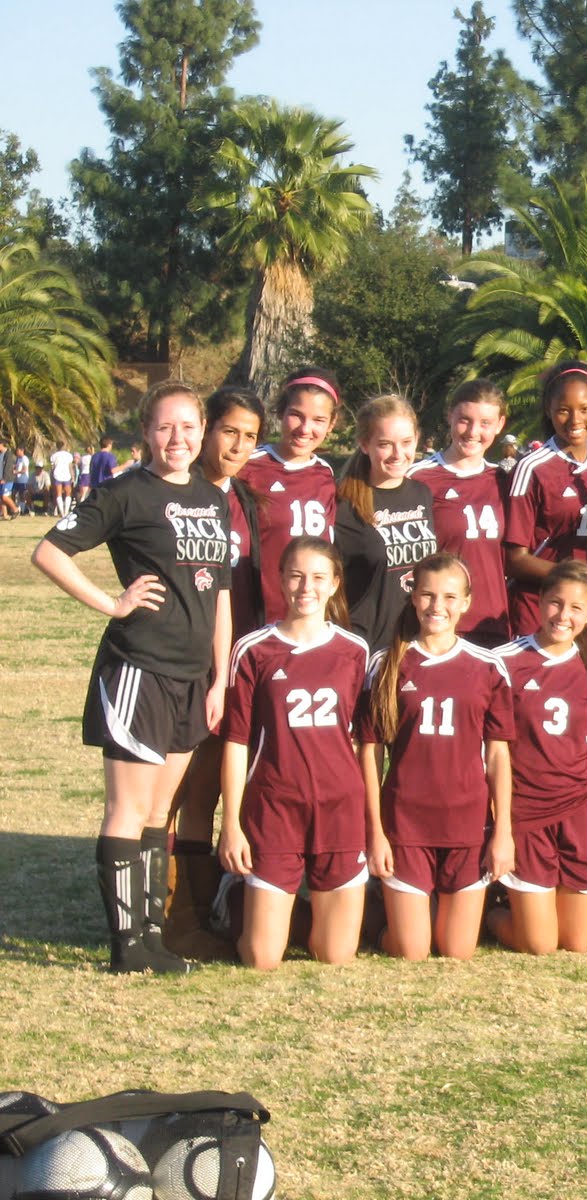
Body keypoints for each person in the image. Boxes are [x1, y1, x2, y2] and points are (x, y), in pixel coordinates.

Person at [32, 381, 231, 974]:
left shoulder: (214, 497)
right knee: (128, 807)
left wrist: (219, 678)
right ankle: (127, 948)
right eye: (166, 427)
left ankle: (151, 938)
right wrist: (110, 603)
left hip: (193, 677)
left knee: (157, 812)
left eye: (190, 427)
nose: (179, 438)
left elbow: (218, 593)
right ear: (146, 431)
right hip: (138, 669)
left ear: (203, 431)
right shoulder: (125, 493)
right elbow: (49, 552)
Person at [218, 537, 370, 970]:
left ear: (335, 583)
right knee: (262, 959)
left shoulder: (355, 652)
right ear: (281, 580)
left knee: (335, 956)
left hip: (339, 805)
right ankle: (236, 898)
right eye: (297, 575)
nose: (307, 587)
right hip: (276, 804)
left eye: (319, 577)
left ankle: (302, 909)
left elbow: (363, 741)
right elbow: (235, 742)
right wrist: (231, 824)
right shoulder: (253, 650)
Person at [357, 554, 514, 960]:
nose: (436, 606)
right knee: (412, 951)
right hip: (406, 821)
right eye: (427, 595)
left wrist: (503, 831)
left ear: (466, 602)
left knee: (457, 951)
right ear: (412, 597)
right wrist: (375, 831)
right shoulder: (388, 664)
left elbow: (498, 756)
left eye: (448, 597)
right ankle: (376, 919)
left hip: (466, 822)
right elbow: (370, 754)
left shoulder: (488, 666)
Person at [164, 386, 268, 959]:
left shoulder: (245, 498)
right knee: (174, 794)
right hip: (186, 665)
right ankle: (166, 913)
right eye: (229, 431)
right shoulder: (180, 493)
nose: (237, 445)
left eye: (250, 435)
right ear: (205, 430)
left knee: (208, 787)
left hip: (236, 664)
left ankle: (194, 913)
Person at [489, 560, 587, 954]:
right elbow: (494, 752)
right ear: (540, 601)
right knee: (540, 945)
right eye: (555, 603)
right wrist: (501, 826)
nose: (563, 616)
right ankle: (487, 913)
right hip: (528, 811)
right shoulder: (503, 662)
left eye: (576, 608)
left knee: (578, 942)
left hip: (580, 809)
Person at [504, 363, 587, 637]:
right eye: (563, 410)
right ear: (548, 409)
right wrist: (586, 573)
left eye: (584, 409)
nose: (575, 420)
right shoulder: (532, 468)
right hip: (542, 610)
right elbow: (515, 560)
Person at [410, 379, 513, 645]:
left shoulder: (506, 481)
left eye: (486, 423)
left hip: (492, 622)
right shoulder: (419, 478)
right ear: (449, 416)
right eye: (464, 420)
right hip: (438, 624)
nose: (473, 432)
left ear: (500, 424)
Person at [333, 396, 438, 649]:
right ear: (364, 444)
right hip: (367, 646)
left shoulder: (422, 494)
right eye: (385, 444)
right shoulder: (343, 503)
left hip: (416, 642)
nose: (397, 454)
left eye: (406, 442)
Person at [238, 368, 341, 623]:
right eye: (296, 415)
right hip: (257, 615)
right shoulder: (247, 466)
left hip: (309, 618)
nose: (305, 429)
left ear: (331, 424)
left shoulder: (325, 474)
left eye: (318, 420)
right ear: (280, 412)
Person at [49, 441, 76, 516]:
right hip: (66, 475)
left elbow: (52, 468)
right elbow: (70, 467)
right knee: (68, 494)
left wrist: (51, 478)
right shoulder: (69, 455)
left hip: (57, 475)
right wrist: (73, 477)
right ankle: (66, 511)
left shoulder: (54, 456)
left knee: (59, 494)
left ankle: (62, 512)